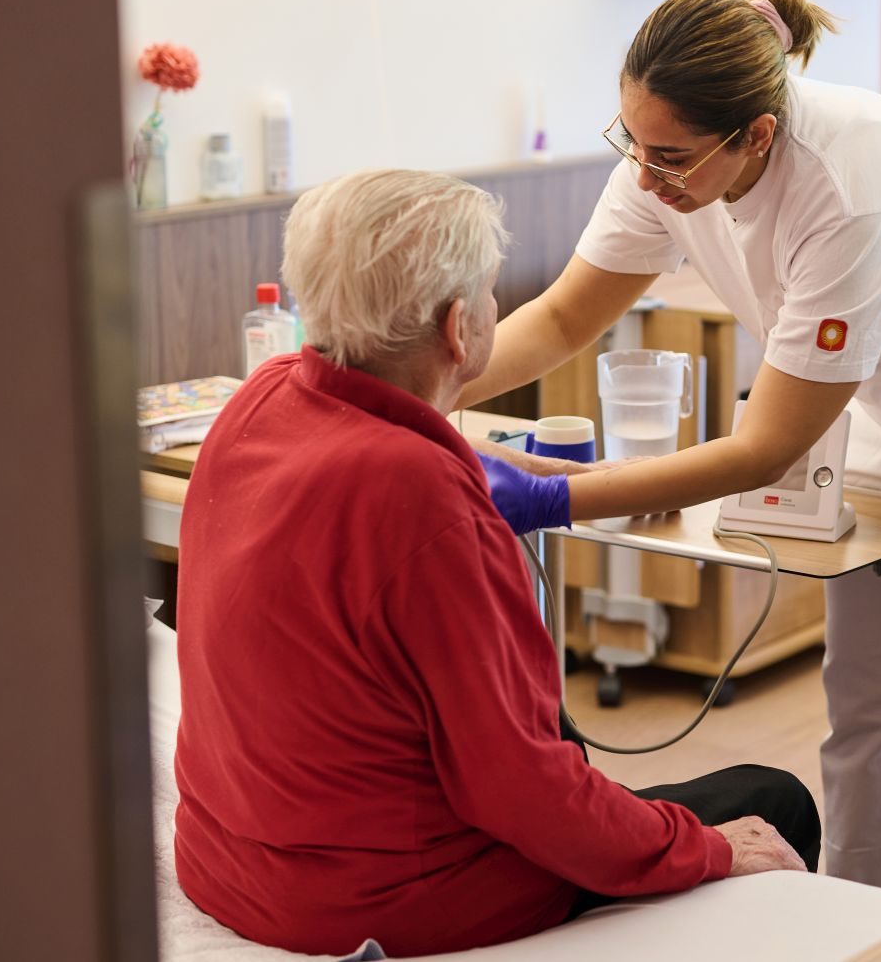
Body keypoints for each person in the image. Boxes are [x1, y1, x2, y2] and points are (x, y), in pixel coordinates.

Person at [454, 0, 881, 901]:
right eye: (633, 145)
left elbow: (770, 444)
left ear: (757, 136)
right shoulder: (665, 164)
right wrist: (422, 384)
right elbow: (563, 317)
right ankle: (871, 923)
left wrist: (554, 495)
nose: (647, 177)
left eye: (670, 158)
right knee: (868, 693)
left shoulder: (853, 181)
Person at [173, 170, 819, 957]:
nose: (494, 309)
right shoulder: (418, 500)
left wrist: (580, 485)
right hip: (377, 899)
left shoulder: (265, 394)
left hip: (230, 860)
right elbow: (521, 790)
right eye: (486, 293)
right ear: (458, 329)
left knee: (563, 742)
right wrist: (707, 848)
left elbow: (428, 446)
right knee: (771, 802)